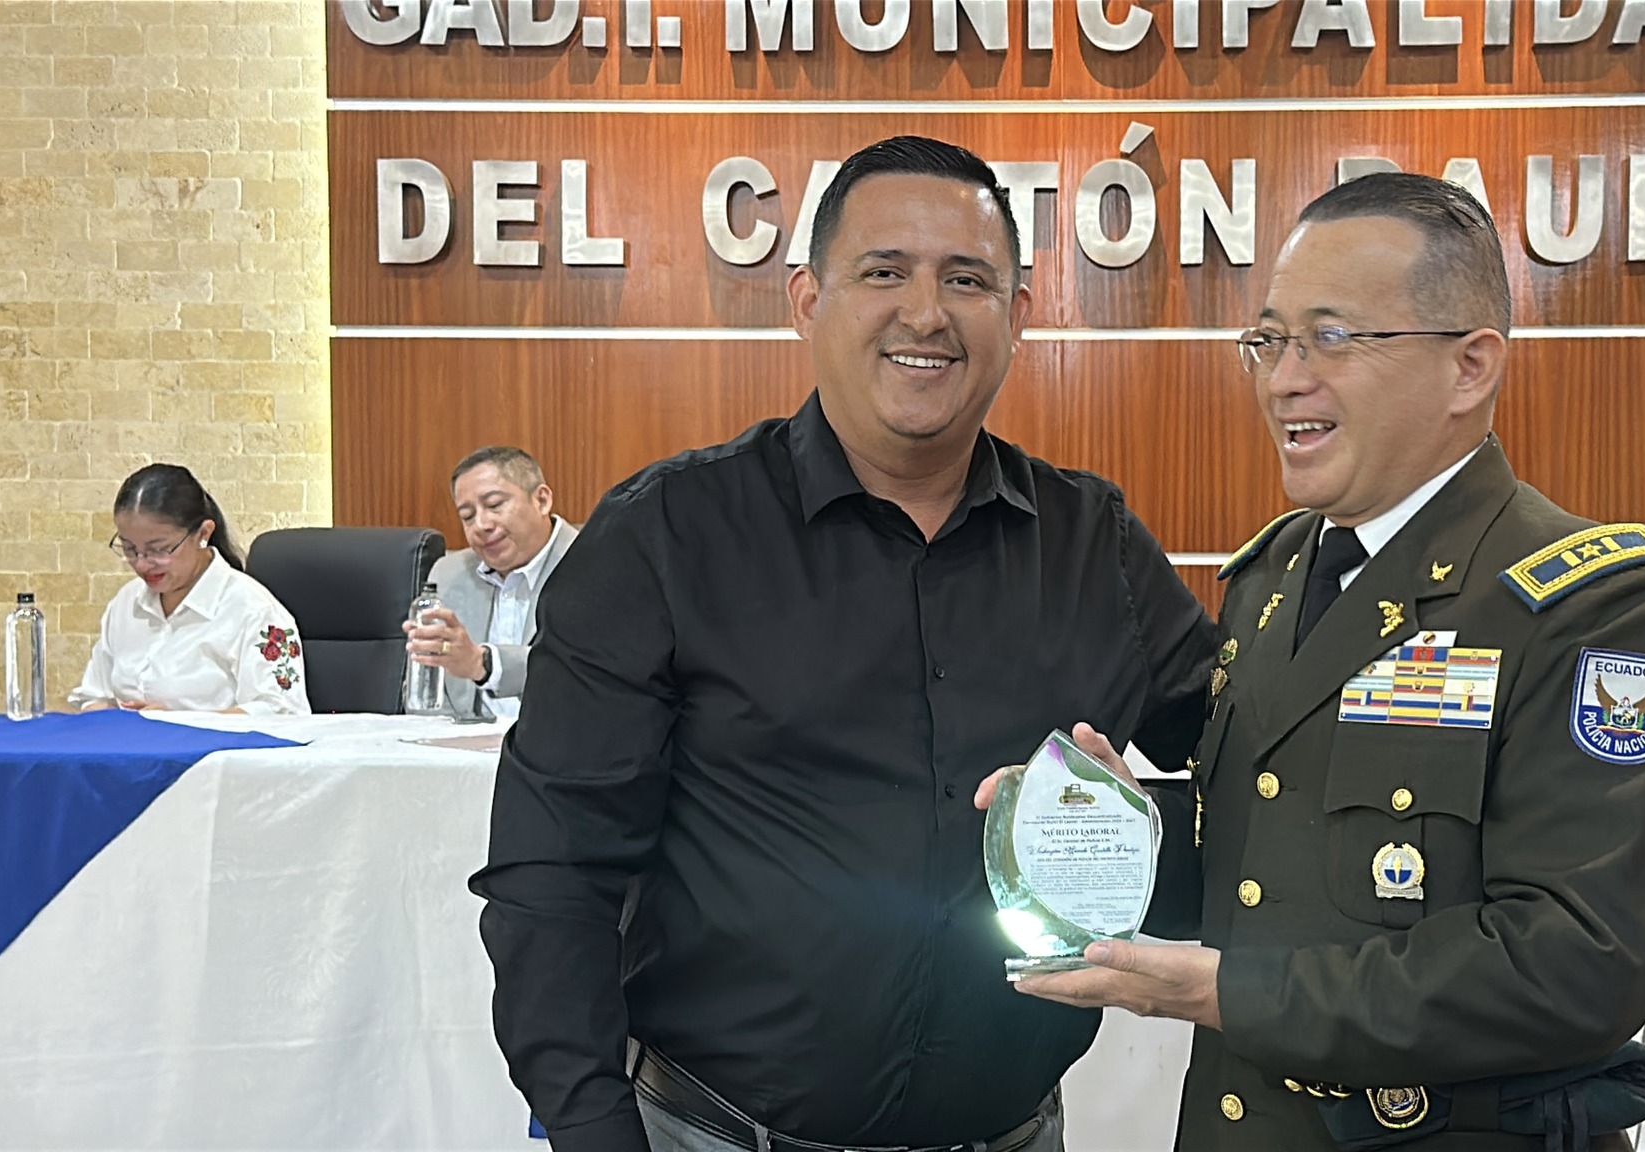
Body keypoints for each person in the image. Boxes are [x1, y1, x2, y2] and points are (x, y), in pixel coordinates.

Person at [470, 136, 1216, 1152]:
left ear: (1018, 314)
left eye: (966, 279)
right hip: (712, 1132)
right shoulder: (666, 537)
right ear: (807, 300)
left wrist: (1130, 832)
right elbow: (553, 871)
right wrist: (594, 1128)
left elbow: (1260, 780)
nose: (926, 314)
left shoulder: (1096, 547)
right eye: (883, 272)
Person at [1000, 174, 1645, 1150]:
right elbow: (1265, 858)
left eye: (1331, 338)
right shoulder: (1273, 577)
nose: (1283, 380)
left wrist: (1232, 994)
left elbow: (1575, 966)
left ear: (1469, 367)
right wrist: (1105, 833)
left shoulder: (1590, 605)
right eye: (1269, 341)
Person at [71, 463, 308, 715]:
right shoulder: (126, 602)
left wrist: (179, 723)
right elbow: (94, 695)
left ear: (203, 533)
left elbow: (282, 714)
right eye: (129, 549)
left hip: (214, 743)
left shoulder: (255, 611)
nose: (141, 564)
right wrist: (104, 715)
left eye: (159, 549)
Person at [402, 446, 577, 721]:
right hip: (466, 745)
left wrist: (482, 664)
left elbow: (581, 672)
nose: (481, 525)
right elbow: (426, 694)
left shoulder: (596, 564)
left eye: (495, 505)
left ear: (541, 500)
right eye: (467, 516)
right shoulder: (448, 574)